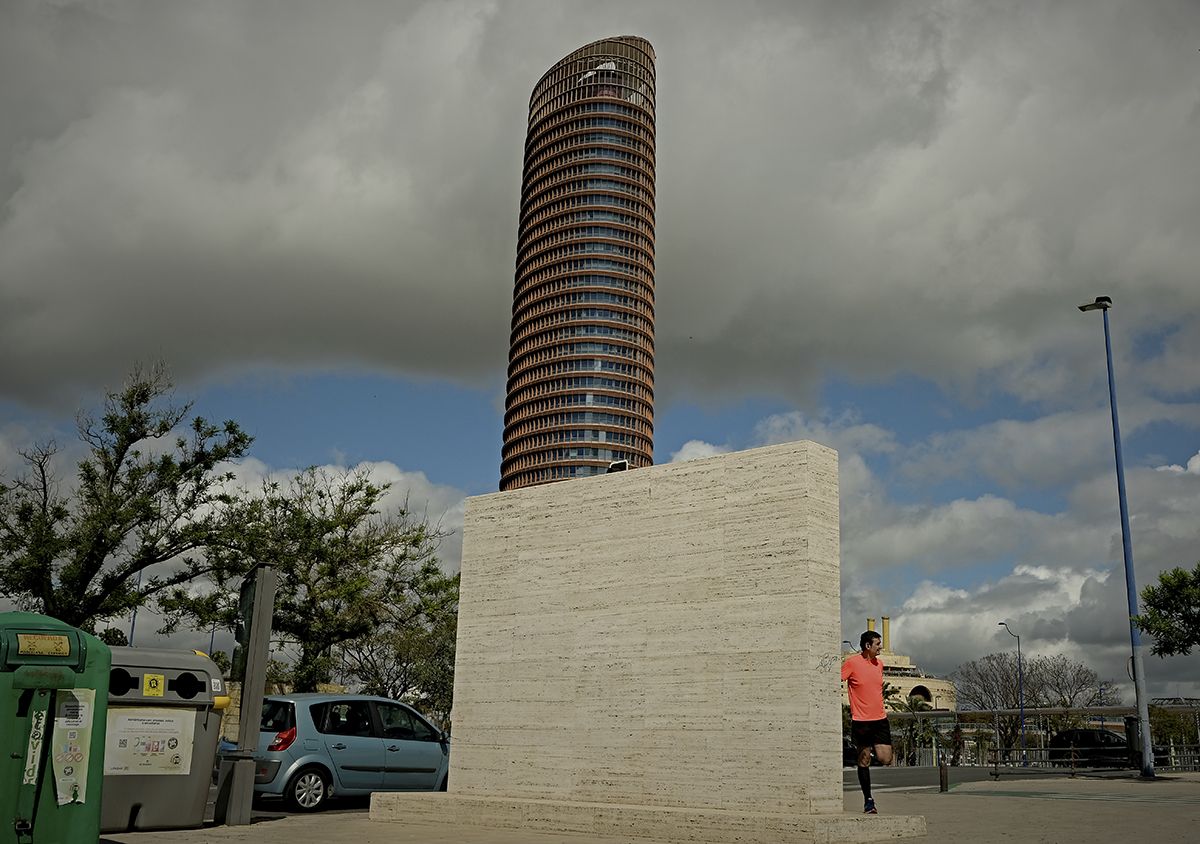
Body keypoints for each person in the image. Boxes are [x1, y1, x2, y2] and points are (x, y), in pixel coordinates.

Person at [842, 630, 894, 814]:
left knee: (885, 758)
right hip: (861, 720)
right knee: (863, 759)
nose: (881, 647)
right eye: (877, 644)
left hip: (880, 720)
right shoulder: (851, 664)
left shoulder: (879, 664)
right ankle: (868, 800)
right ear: (867, 646)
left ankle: (871, 749)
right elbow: (835, 679)